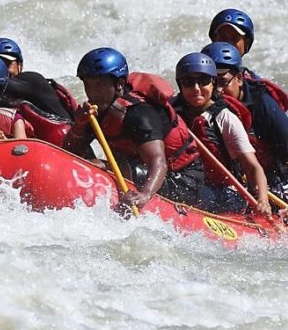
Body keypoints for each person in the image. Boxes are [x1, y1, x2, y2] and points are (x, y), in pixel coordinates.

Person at [202, 41, 288, 241]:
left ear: (239, 78)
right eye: (211, 82)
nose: (217, 91)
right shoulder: (203, 100)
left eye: (223, 82)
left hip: (278, 184)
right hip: (239, 179)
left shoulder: (264, 106)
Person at [62, 47, 204, 209]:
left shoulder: (138, 114)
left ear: (120, 84)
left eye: (100, 84)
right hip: (138, 165)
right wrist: (79, 126)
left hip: (181, 178)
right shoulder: (97, 109)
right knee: (85, 154)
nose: (93, 92)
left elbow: (158, 162)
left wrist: (144, 195)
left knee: (127, 170)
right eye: (88, 83)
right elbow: (69, 150)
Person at [171, 52, 271, 216]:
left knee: (189, 192)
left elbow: (253, 167)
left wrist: (263, 201)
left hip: (226, 193)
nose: (196, 88)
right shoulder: (172, 112)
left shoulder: (225, 118)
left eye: (203, 81)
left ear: (213, 83)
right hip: (187, 181)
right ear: (180, 85)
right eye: (188, 82)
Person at [0, 37, 75, 121]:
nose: (0, 70)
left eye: (6, 64)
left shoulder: (32, 80)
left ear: (20, 65)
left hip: (63, 135)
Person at [208, 8, 262, 81]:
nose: (228, 43)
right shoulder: (195, 78)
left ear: (246, 43)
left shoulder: (256, 86)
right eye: (223, 37)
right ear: (213, 40)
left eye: (234, 38)